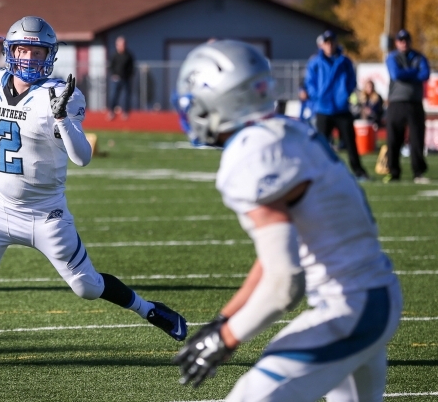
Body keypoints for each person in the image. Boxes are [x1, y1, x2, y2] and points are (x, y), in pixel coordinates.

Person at [0, 16, 187, 367]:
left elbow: (82, 158)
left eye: (38, 52)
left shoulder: (59, 94)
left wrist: (63, 118)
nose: (30, 58)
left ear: (49, 55)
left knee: (87, 287)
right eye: (23, 49)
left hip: (45, 212)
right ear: (10, 51)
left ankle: (150, 310)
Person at [171, 40, 402, 401]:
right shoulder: (286, 131)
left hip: (350, 307)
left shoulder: (251, 152)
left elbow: (284, 282)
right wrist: (223, 319)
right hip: (373, 297)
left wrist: (227, 339)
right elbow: (276, 254)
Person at [305, 30, 369, 180]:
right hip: (323, 108)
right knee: (320, 144)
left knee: (350, 142)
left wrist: (345, 94)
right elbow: (310, 82)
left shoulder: (345, 61)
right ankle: (317, 173)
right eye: (326, 42)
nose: (329, 45)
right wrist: (317, 97)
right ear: (322, 44)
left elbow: (352, 80)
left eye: (332, 42)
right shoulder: (315, 62)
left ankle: (359, 171)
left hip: (341, 108)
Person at [384, 29, 430, 184]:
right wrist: (413, 72)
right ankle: (393, 172)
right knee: (393, 138)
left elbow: (425, 74)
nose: (404, 43)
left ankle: (418, 172)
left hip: (415, 103)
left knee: (417, 139)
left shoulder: (419, 56)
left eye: (406, 40)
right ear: (397, 42)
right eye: (401, 40)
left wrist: (407, 73)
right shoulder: (392, 57)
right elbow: (396, 74)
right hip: (396, 102)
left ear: (410, 41)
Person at [107, 36, 135, 120]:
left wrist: (129, 76)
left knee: (126, 96)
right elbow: (111, 66)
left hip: (126, 79)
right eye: (120, 44)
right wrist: (113, 75)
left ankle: (125, 113)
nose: (122, 46)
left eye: (123, 44)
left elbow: (132, 68)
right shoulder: (114, 55)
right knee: (114, 96)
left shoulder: (129, 55)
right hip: (116, 79)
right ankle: (111, 112)